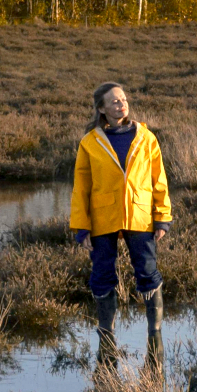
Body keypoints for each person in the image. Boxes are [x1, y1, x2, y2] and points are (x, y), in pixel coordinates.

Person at [70, 83, 171, 350]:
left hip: (140, 215)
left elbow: (158, 179)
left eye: (123, 100)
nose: (121, 104)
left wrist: (162, 217)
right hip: (102, 218)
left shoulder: (146, 137)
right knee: (102, 275)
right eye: (114, 102)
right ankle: (107, 337)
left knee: (148, 273)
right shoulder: (90, 142)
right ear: (102, 108)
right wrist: (82, 228)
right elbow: (81, 189)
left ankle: (155, 337)